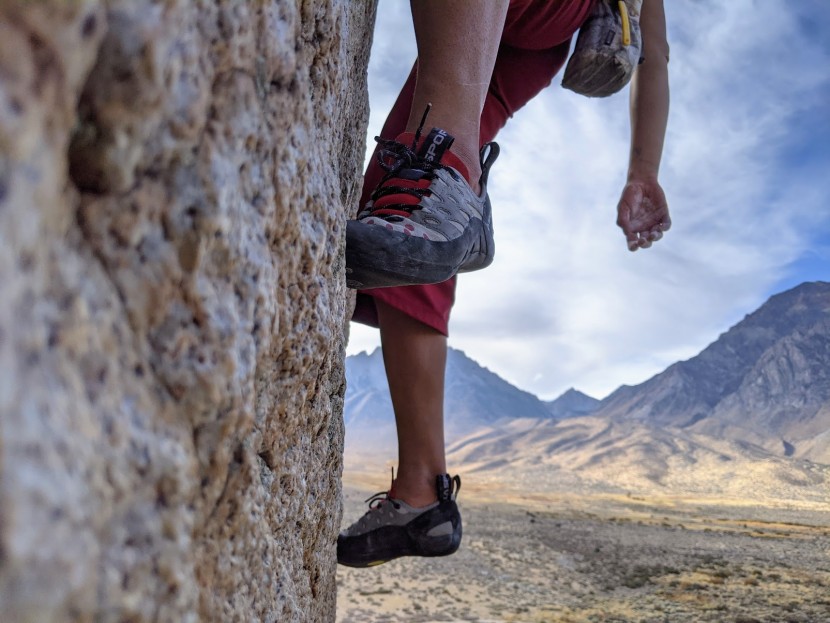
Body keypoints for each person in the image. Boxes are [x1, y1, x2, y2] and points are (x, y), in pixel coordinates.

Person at [338, 0, 670, 568]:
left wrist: (644, 173)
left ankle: (450, 166)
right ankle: (422, 493)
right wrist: (644, 170)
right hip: (533, 37)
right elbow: (655, 55)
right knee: (403, 213)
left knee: (429, 165)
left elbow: (656, 54)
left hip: (543, 14)